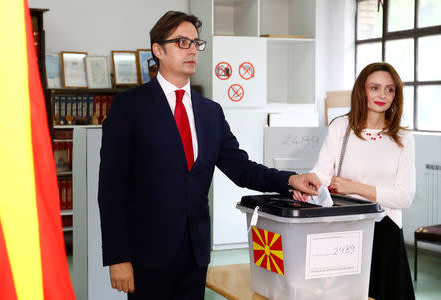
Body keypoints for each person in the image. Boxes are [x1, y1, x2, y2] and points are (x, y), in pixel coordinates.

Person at [98, 10, 320, 300]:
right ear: (158, 50)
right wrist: (118, 257)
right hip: (146, 256)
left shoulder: (210, 112)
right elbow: (111, 188)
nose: (192, 49)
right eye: (181, 42)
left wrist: (291, 179)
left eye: (196, 43)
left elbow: (242, 169)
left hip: (195, 254)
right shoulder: (129, 107)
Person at [294, 62, 415, 300]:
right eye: (375, 88)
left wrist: (353, 188)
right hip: (346, 230)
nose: (383, 95)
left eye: (390, 90)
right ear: (362, 90)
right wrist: (307, 185)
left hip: (386, 231)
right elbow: (322, 173)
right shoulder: (341, 126)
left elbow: (404, 197)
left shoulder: (403, 137)